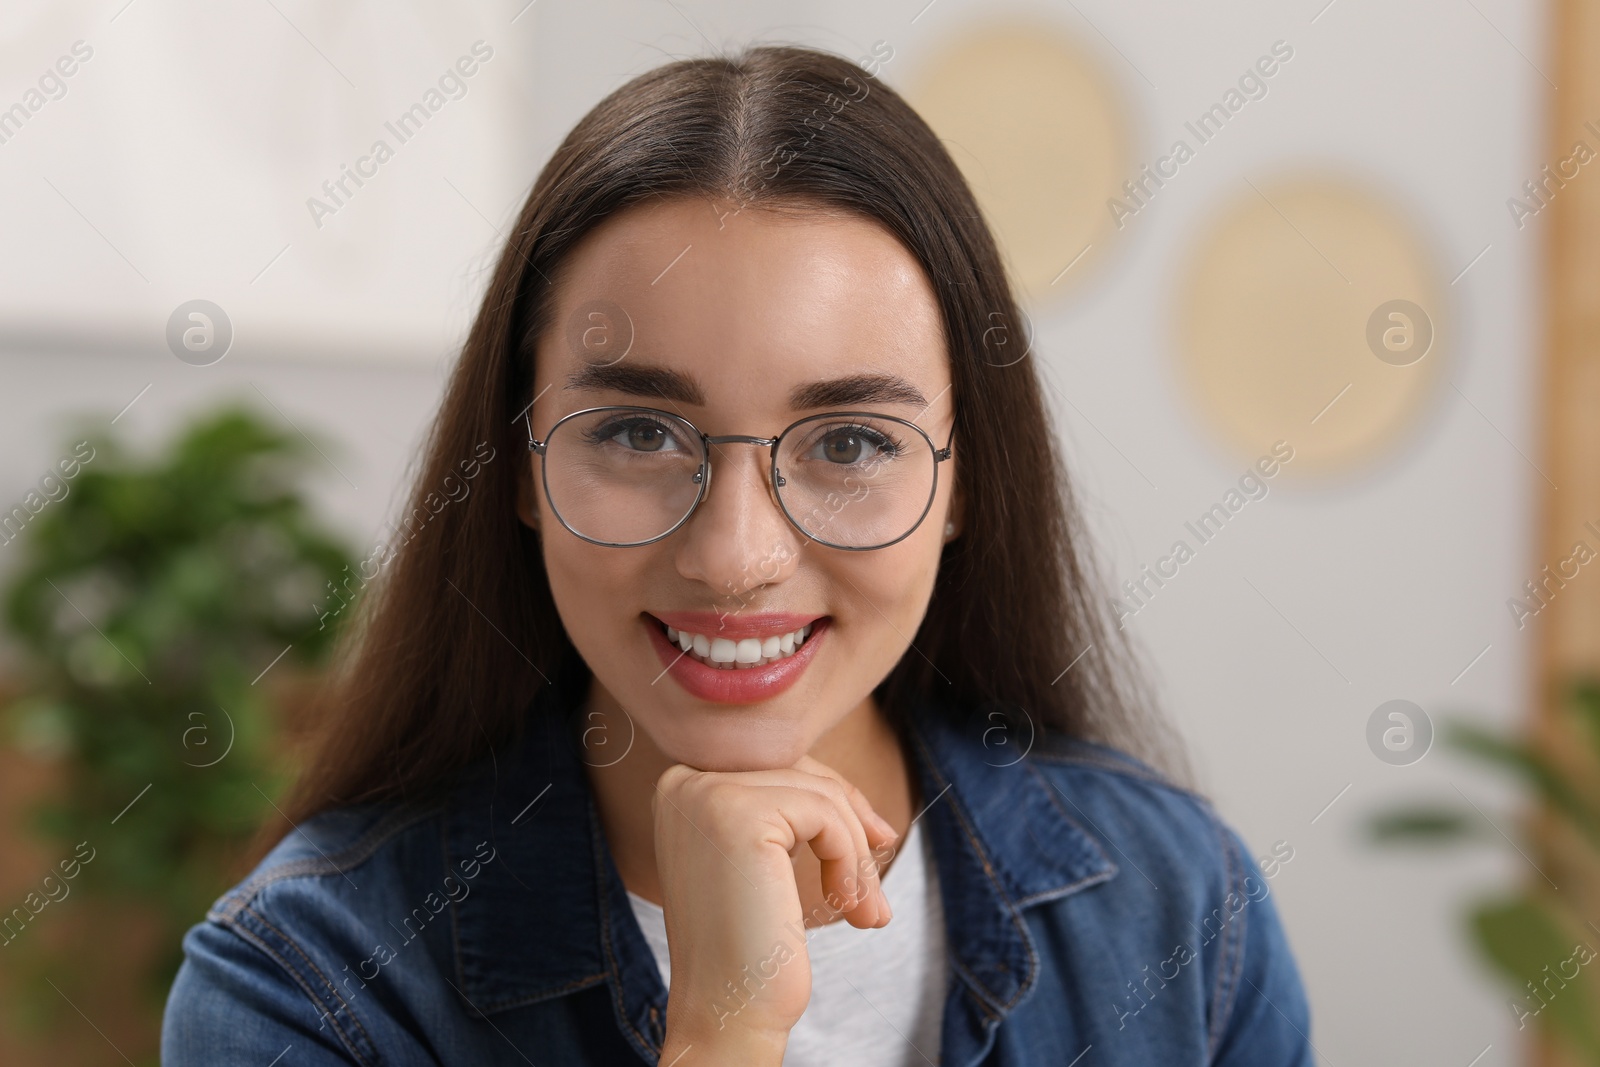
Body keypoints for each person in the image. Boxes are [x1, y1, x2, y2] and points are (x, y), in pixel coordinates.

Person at [161, 42, 1314, 1066]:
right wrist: (724, 1029)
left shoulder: (1181, 902)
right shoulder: (305, 985)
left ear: (965, 481)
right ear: (516, 464)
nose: (735, 555)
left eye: (852, 441)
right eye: (638, 432)